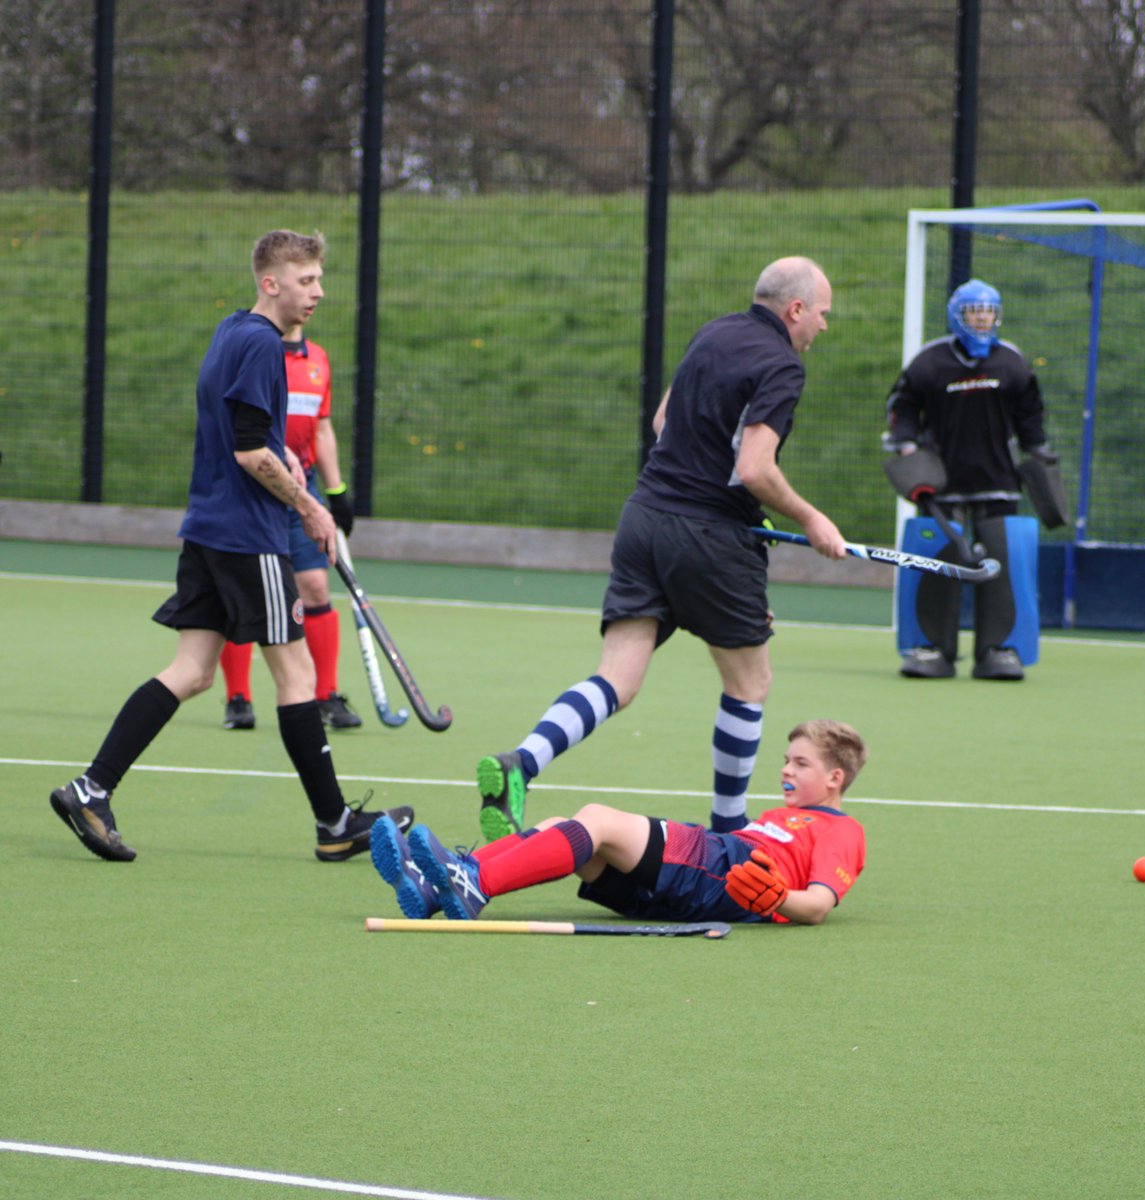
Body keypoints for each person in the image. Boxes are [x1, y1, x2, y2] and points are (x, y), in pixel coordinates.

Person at [49, 230, 409, 864]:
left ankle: (91, 788)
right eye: (306, 280)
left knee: (191, 672)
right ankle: (335, 824)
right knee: (296, 676)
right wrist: (309, 507)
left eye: (320, 279)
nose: (319, 292)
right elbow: (249, 450)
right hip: (249, 537)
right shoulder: (264, 346)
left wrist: (291, 474)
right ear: (271, 283)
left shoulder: (228, 331)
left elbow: (244, 438)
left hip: (209, 528)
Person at [473, 257, 846, 844]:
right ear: (795, 309)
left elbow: (662, 420)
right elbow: (753, 468)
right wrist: (812, 518)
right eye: (822, 314)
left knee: (617, 680)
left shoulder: (714, 331)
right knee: (749, 683)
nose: (823, 327)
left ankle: (522, 762)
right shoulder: (782, 364)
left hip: (643, 517)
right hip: (708, 535)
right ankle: (729, 827)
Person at [370, 720, 867, 927]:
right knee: (566, 827)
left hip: (721, 871)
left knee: (598, 821)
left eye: (801, 764)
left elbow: (820, 905)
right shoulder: (783, 814)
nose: (785, 769)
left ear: (834, 778)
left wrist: (780, 899)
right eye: (787, 759)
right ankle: (445, 884)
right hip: (712, 868)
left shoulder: (844, 830)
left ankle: (473, 883)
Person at [884, 278, 1055, 681]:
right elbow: (902, 405)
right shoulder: (930, 361)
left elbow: (1031, 413)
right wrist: (906, 444)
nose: (982, 319)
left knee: (1001, 563)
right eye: (974, 311)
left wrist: (1040, 450)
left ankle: (999, 650)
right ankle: (931, 649)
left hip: (999, 481)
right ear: (956, 316)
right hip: (941, 483)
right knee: (937, 561)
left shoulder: (1011, 361)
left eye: (988, 311)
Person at [219, 325, 360, 732]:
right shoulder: (252, 352)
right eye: (306, 282)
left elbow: (321, 428)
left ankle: (325, 695)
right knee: (244, 591)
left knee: (315, 585)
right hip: (256, 485)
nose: (315, 293)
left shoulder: (317, 358)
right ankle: (238, 698)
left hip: (307, 483)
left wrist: (337, 492)